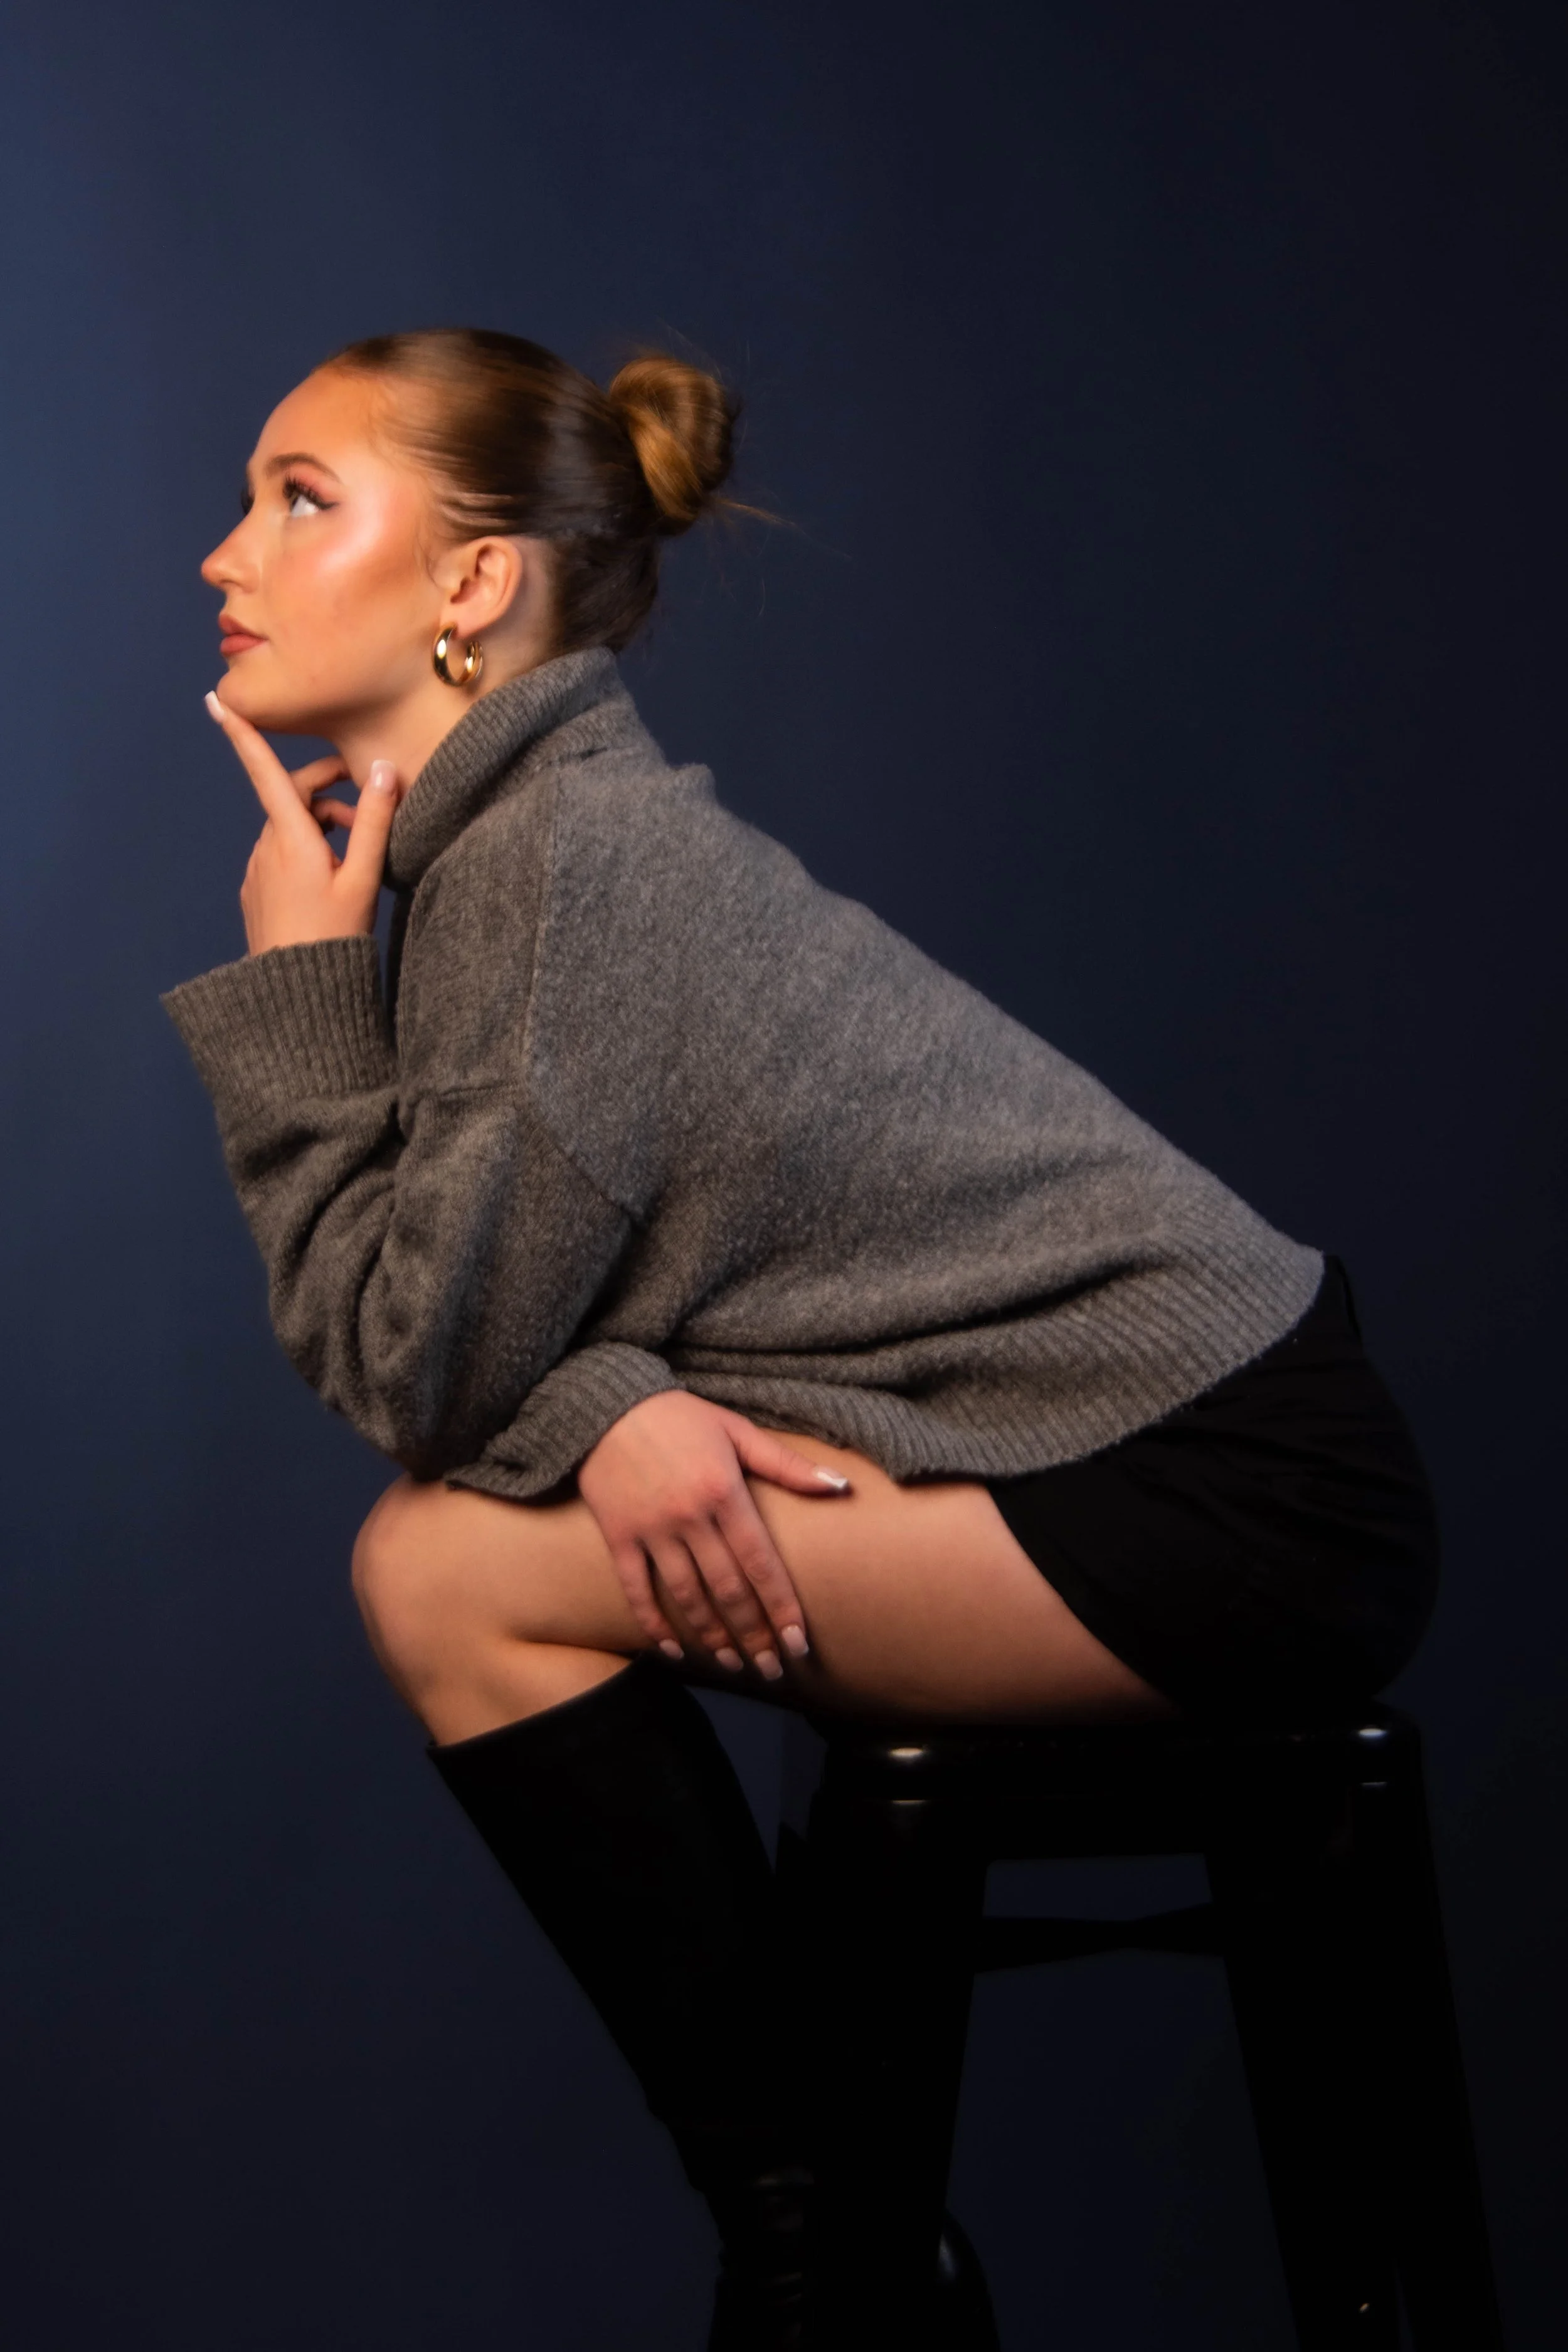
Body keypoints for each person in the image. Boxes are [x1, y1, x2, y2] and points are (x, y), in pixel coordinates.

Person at [164, 328, 1439, 2350]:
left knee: (436, 1565)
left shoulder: (563, 876)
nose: (228, 551)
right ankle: (841, 2239)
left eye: (298, 495)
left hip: (1218, 1486)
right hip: (1097, 1441)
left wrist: (302, 995)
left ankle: (829, 2257)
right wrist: (615, 1405)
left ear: (474, 582)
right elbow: (555, 1302)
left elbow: (418, 1363)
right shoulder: (528, 841)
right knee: (444, 1538)